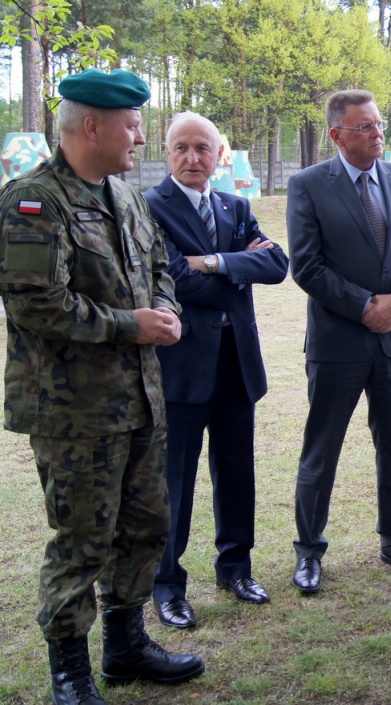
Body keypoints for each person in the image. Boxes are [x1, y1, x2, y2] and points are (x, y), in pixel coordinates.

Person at [0, 68, 203, 705]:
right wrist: (131, 325)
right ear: (92, 126)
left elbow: (160, 264)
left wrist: (163, 310)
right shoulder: (33, 201)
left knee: (144, 527)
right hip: (74, 410)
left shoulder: (126, 197)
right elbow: (35, 303)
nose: (141, 137)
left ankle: (125, 646)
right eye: (133, 125)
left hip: (140, 399)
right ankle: (70, 671)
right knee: (81, 540)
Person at [287, 89, 391, 593]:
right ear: (337, 135)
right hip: (337, 344)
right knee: (321, 449)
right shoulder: (308, 185)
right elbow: (305, 265)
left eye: (379, 124)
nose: (377, 134)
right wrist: (363, 306)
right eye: (365, 127)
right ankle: (309, 551)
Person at [145, 112, 289, 628]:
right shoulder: (150, 209)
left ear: (217, 154)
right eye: (181, 148)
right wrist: (233, 266)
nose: (192, 158)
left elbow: (276, 265)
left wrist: (213, 261)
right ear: (167, 153)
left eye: (202, 148)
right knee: (173, 482)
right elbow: (175, 281)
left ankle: (236, 568)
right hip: (181, 368)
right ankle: (167, 585)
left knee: (236, 472)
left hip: (236, 366)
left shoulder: (235, 204)